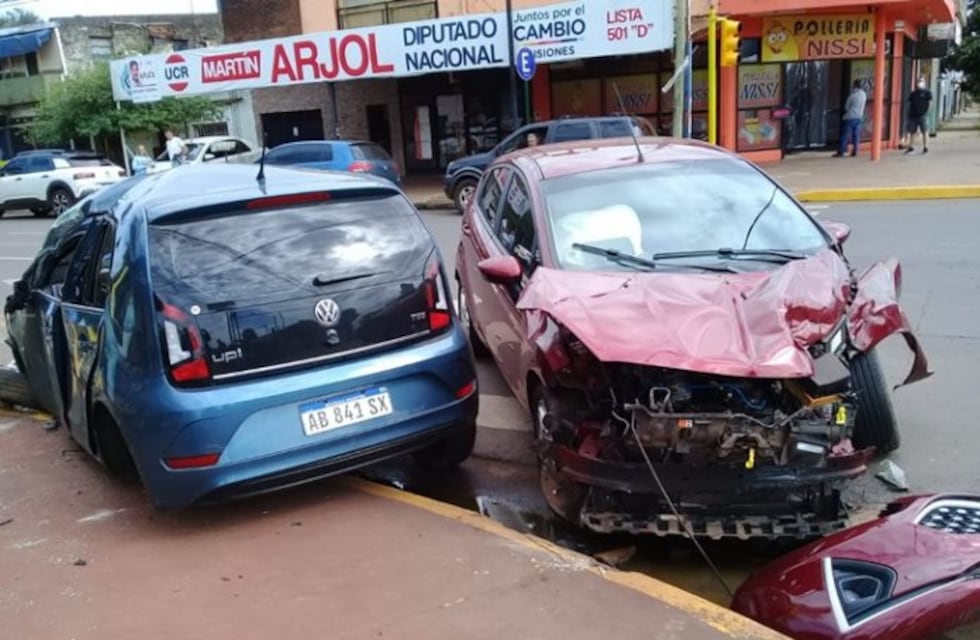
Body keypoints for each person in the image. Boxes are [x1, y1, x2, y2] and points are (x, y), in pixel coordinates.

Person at [834, 80, 867, 158]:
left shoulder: (852, 95)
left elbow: (846, 107)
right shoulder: (863, 94)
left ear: (854, 85)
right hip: (859, 116)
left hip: (850, 117)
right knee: (855, 135)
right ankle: (855, 151)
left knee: (845, 134)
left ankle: (841, 151)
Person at [905, 79, 933, 155]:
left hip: (923, 116)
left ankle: (925, 148)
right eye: (919, 81)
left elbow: (930, 103)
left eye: (922, 81)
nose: (920, 83)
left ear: (924, 83)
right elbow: (909, 103)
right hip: (913, 116)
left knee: (925, 131)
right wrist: (908, 114)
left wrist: (927, 113)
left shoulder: (927, 93)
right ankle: (911, 148)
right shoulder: (913, 93)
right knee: (912, 132)